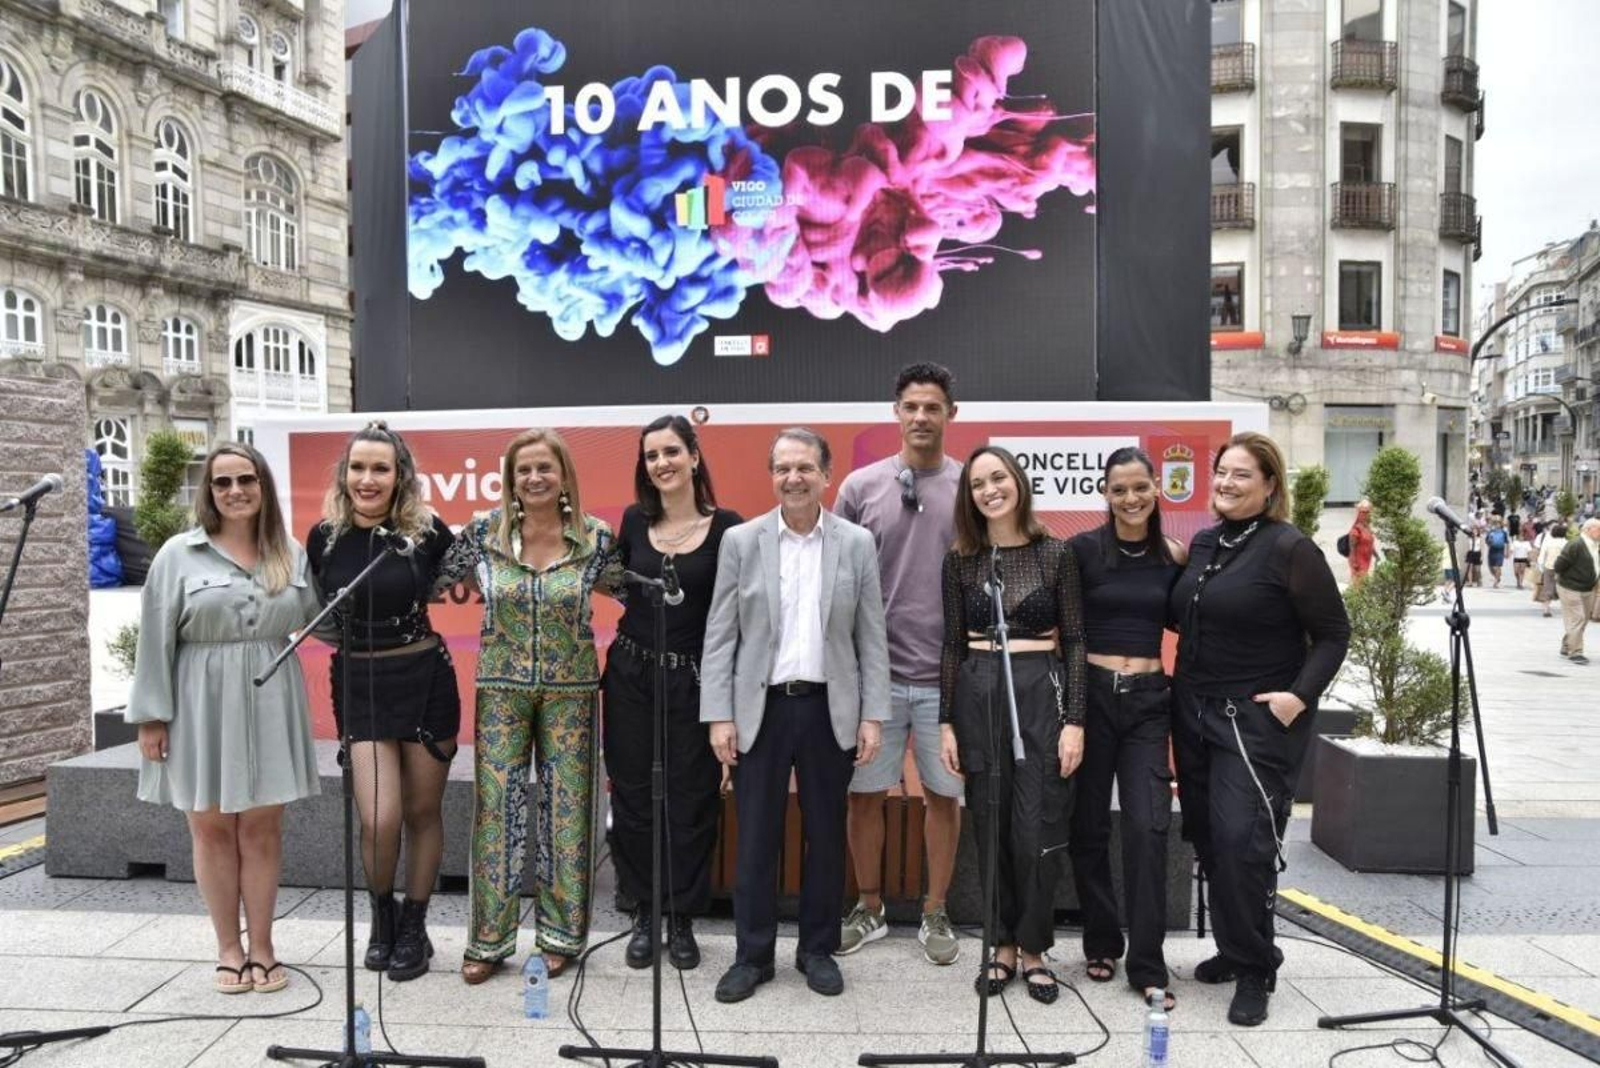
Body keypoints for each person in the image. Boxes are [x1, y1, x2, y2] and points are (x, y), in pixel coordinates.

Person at [701, 428, 890, 1003]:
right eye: (783, 468)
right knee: (755, 837)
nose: (793, 478)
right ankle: (752, 956)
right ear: (772, 475)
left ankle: (817, 951)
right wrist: (719, 715)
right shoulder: (741, 540)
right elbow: (720, 634)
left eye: (805, 467)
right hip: (760, 710)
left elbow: (870, 636)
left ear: (826, 474)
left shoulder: (855, 543)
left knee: (826, 836)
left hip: (828, 709)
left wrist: (873, 714)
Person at [1168, 432, 1349, 1027]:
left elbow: (1332, 634)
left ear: (1270, 485)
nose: (1227, 483)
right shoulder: (1205, 542)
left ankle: (1257, 968)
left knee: (1245, 842)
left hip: (1254, 722)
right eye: (1222, 472)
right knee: (1213, 840)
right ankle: (1234, 946)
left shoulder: (1290, 548)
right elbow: (1185, 614)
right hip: (1194, 713)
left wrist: (1298, 698)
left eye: (1242, 475)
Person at [126, 443, 320, 994]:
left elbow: (319, 619)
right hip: (197, 700)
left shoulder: (290, 551)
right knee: (210, 827)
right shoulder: (178, 554)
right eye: (222, 482)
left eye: (246, 480)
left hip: (269, 695)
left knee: (261, 828)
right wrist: (151, 718)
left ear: (263, 487)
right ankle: (228, 948)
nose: (235, 491)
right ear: (208, 491)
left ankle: (262, 945)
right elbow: (154, 638)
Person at [434, 428, 622, 984]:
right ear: (509, 478)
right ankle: (488, 940)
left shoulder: (594, 537)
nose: (534, 478)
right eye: (523, 470)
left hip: (573, 691)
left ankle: (561, 935)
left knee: (568, 811)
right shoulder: (483, 533)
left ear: (563, 474)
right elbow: (436, 579)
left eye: (545, 467)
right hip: (500, 688)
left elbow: (629, 591)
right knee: (496, 811)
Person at [306, 422, 459, 981]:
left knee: (422, 813)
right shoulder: (323, 536)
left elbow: (453, 582)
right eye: (358, 468)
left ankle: (414, 927)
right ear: (344, 476)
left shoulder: (427, 532)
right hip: (361, 685)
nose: (368, 479)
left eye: (381, 469)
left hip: (424, 679)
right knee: (380, 816)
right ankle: (380, 914)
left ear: (400, 477)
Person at [937, 445, 1088, 1006]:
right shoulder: (961, 559)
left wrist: (1075, 721)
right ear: (969, 496)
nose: (989, 490)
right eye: (978, 484)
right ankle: (1000, 945)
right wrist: (946, 721)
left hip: (1038, 693)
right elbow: (951, 645)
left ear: (1018, 482)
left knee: (1037, 828)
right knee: (991, 824)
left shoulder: (1056, 554)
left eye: (998, 477)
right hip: (978, 692)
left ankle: (1034, 949)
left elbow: (1074, 641)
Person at [836, 363, 965, 966]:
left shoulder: (972, 487)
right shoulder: (860, 488)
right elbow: (836, 581)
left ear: (950, 415)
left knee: (943, 797)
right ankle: (870, 905)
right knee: (864, 796)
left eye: (932, 407)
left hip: (948, 678)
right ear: (896, 412)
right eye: (910, 406)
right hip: (874, 681)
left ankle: (936, 910)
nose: (920, 417)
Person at [604, 415, 742, 971]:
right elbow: (619, 591)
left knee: (691, 800)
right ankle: (644, 911)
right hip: (632, 677)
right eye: (651, 455)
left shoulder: (729, 528)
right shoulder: (634, 522)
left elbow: (735, 618)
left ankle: (683, 916)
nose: (661, 463)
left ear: (693, 456)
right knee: (634, 797)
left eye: (670, 452)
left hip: (695, 683)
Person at [1067, 447, 1186, 1010]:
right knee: (1087, 826)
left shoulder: (1174, 555)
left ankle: (1147, 961)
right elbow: (1067, 636)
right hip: (1089, 698)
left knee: (1147, 827)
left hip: (1147, 703)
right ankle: (1101, 941)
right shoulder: (1082, 552)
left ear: (1156, 487)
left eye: (1140, 487)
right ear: (1105, 493)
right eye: (1120, 490)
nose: (1131, 498)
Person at [1551, 518, 1600, 665]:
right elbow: (1559, 565)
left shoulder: (1595, 545)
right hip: (1570, 587)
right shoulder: (1576, 544)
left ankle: (1567, 645)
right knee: (1577, 618)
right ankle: (1576, 652)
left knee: (1583, 620)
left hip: (1588, 587)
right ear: (1588, 530)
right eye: (1598, 529)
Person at [1536, 523, 1567, 618]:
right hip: (1562, 569)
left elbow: (1541, 556)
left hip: (1548, 567)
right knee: (1564, 589)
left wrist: (1541, 567)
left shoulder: (1548, 542)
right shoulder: (1566, 542)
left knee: (1547, 588)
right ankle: (1566, 609)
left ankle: (1546, 609)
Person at [1346, 500, 1376, 586]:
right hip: (1358, 560)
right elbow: (1352, 547)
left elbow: (1371, 544)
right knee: (1359, 582)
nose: (1366, 515)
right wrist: (1354, 561)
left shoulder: (1367, 528)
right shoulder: (1356, 530)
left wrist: (1376, 555)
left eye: (1368, 512)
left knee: (1363, 580)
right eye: (1363, 512)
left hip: (1366, 558)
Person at [1485, 517, 1508, 588]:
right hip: (1492, 550)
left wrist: (1507, 551)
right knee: (1491, 567)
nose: (1497, 525)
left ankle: (1496, 582)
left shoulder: (1503, 532)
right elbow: (1486, 541)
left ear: (1500, 524)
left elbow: (1506, 542)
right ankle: (1497, 577)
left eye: (1498, 523)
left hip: (1500, 550)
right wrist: (1489, 541)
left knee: (1497, 566)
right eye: (1495, 523)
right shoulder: (1490, 532)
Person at [1463, 522, 1483, 587]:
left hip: (1477, 553)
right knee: (1469, 568)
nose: (1474, 532)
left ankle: (1479, 580)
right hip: (1470, 553)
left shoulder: (1480, 539)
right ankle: (1470, 582)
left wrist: (1481, 556)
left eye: (1476, 530)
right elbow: (1467, 547)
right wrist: (1466, 554)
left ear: (1477, 531)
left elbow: (1481, 548)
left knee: (1477, 570)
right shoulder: (1469, 538)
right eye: (1473, 530)